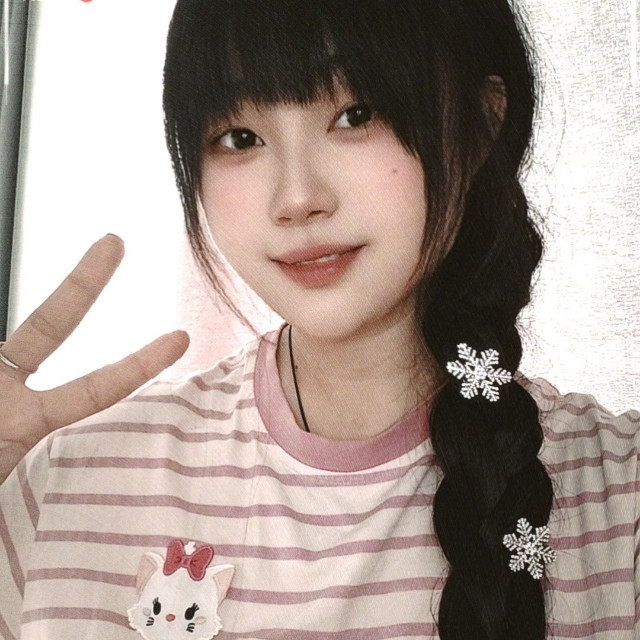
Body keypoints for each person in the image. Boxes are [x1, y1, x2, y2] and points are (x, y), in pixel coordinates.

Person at [0, 1, 637, 639]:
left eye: (356, 114)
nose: (297, 198)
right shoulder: (65, 482)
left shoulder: (621, 498)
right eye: (240, 137)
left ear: (479, 124)